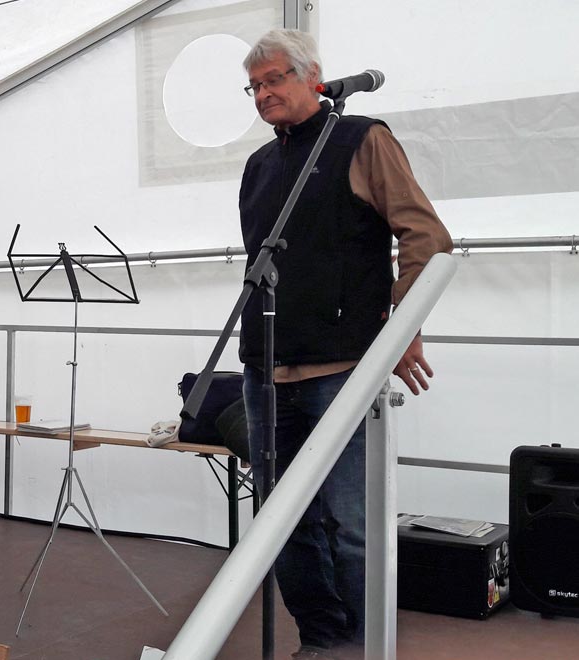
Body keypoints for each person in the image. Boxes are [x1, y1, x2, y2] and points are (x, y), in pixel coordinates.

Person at [238, 30, 452, 658]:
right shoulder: (258, 166)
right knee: (281, 522)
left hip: (342, 371)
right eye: (254, 86)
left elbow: (425, 236)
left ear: (313, 77)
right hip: (265, 370)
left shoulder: (362, 139)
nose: (263, 94)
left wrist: (404, 326)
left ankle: (363, 642)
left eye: (274, 79)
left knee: (351, 520)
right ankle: (321, 636)